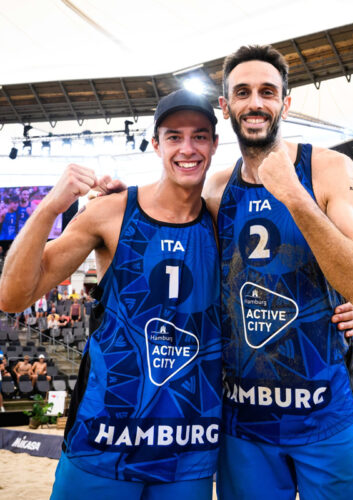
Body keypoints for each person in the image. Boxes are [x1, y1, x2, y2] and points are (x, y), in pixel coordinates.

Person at [0, 90, 225, 499]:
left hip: (189, 444)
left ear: (214, 144)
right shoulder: (111, 212)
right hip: (104, 436)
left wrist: (348, 305)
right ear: (156, 145)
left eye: (200, 136)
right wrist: (50, 206)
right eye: (174, 136)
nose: (187, 148)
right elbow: (12, 297)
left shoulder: (220, 221)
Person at [203, 45, 353, 500]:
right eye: (242, 92)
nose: (255, 102)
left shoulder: (329, 168)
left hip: (329, 411)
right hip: (245, 421)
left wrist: (294, 196)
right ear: (225, 107)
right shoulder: (216, 191)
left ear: (286, 102)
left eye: (267, 91)